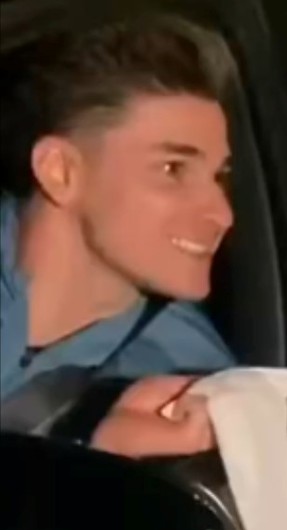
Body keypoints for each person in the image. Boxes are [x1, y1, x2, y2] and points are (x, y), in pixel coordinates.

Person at [0, 17, 237, 456]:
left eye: (218, 176)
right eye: (173, 169)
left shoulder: (188, 382)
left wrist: (105, 473)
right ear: (60, 171)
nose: (222, 214)